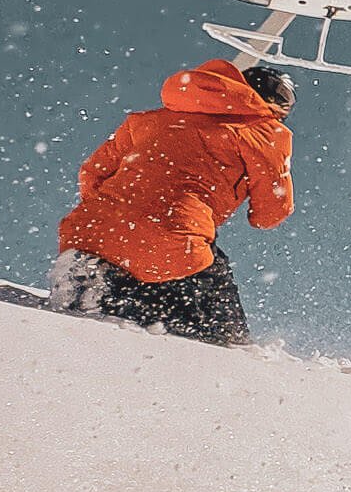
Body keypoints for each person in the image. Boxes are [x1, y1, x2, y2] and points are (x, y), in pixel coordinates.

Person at [49, 58, 296, 345]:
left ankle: (101, 282)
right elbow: (269, 214)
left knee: (155, 267)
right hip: (175, 238)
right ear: (275, 103)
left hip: (90, 228)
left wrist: (120, 215)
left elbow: (93, 172)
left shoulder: (150, 119)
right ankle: (129, 304)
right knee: (223, 335)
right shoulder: (265, 132)